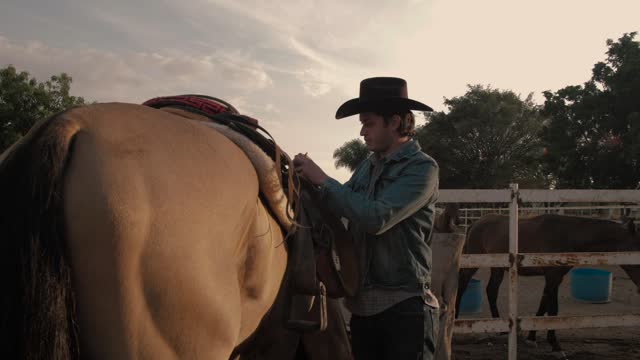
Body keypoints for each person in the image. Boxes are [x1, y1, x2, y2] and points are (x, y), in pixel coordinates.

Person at [293, 77, 440, 360]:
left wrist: (322, 179)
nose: (361, 131)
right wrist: (305, 183)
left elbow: (376, 218)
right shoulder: (367, 166)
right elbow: (337, 205)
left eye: (369, 123)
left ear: (394, 122)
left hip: (404, 309)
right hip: (362, 308)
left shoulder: (422, 169)